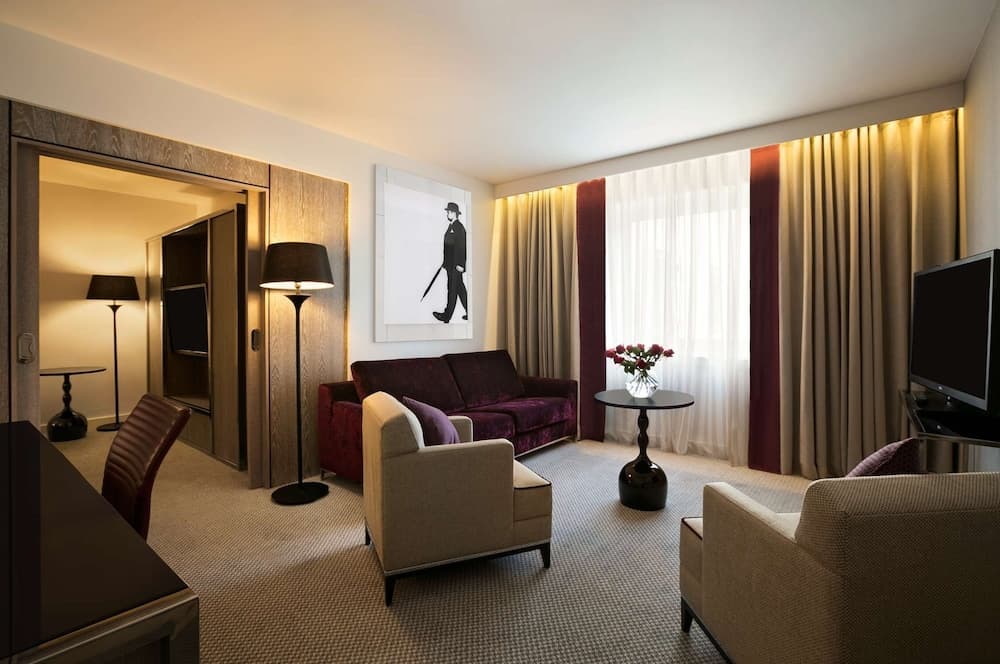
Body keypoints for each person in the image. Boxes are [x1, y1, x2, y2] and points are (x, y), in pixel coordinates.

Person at [433, 202, 468, 323]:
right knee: (460, 289)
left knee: (452, 290)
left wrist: (461, 264)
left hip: (456, 266)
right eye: (447, 212)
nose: (447, 213)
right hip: (450, 264)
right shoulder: (451, 226)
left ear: (455, 213)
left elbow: (462, 247)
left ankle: (446, 316)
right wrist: (445, 262)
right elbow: (449, 247)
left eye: (449, 212)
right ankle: (470, 311)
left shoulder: (459, 227)